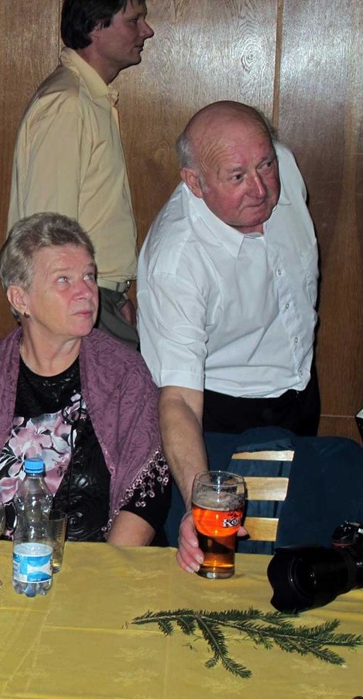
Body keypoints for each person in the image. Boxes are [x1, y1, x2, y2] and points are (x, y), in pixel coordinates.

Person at [137, 101, 319, 572]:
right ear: (194, 183)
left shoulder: (283, 167)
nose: (261, 189)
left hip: (299, 389)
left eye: (265, 165)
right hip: (219, 416)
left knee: (295, 554)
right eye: (237, 177)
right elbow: (178, 398)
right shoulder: (177, 260)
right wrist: (203, 503)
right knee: (223, 563)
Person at [0, 213, 170, 544]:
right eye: (64, 280)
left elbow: (146, 498)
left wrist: (102, 572)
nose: (86, 292)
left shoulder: (125, 374)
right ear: (20, 299)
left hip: (101, 565)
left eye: (89, 276)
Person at [7, 0, 154, 349]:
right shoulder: (68, 104)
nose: (146, 31)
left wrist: (115, 296)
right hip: (74, 301)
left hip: (92, 297)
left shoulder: (86, 98)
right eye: (134, 21)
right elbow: (46, 233)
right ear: (96, 26)